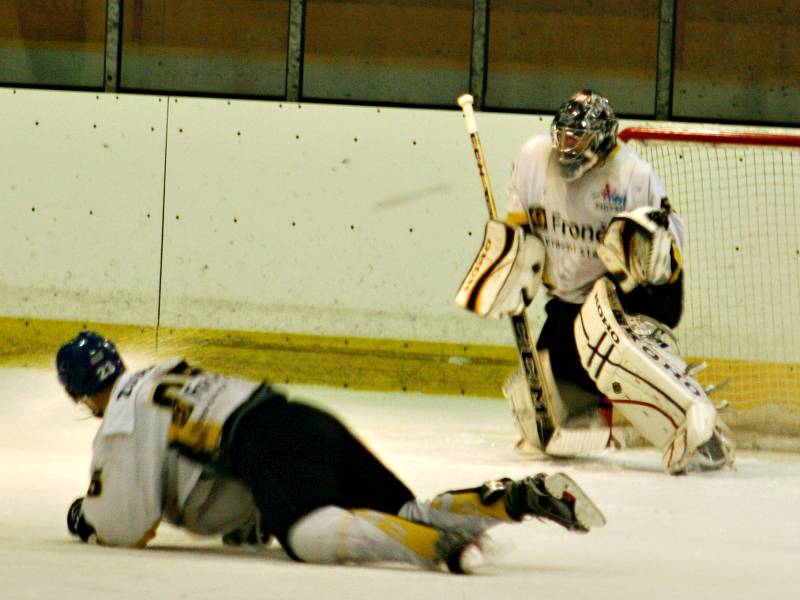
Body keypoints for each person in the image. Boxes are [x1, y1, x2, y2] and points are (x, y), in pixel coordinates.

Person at [58, 330, 606, 574]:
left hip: (265, 446)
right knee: (404, 504)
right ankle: (507, 501)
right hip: (306, 420)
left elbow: (128, 525)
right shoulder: (160, 374)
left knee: (306, 536)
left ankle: (431, 546)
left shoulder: (120, 422)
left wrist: (86, 516)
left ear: (79, 394)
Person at [455, 90, 734, 474]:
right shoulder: (535, 158)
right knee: (549, 401)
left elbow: (666, 252)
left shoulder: (633, 176)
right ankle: (596, 404)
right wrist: (512, 261)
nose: (567, 146)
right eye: (564, 136)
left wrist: (640, 261)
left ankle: (698, 428)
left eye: (579, 138)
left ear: (602, 137)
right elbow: (521, 228)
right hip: (571, 299)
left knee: (614, 354)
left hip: (633, 292)